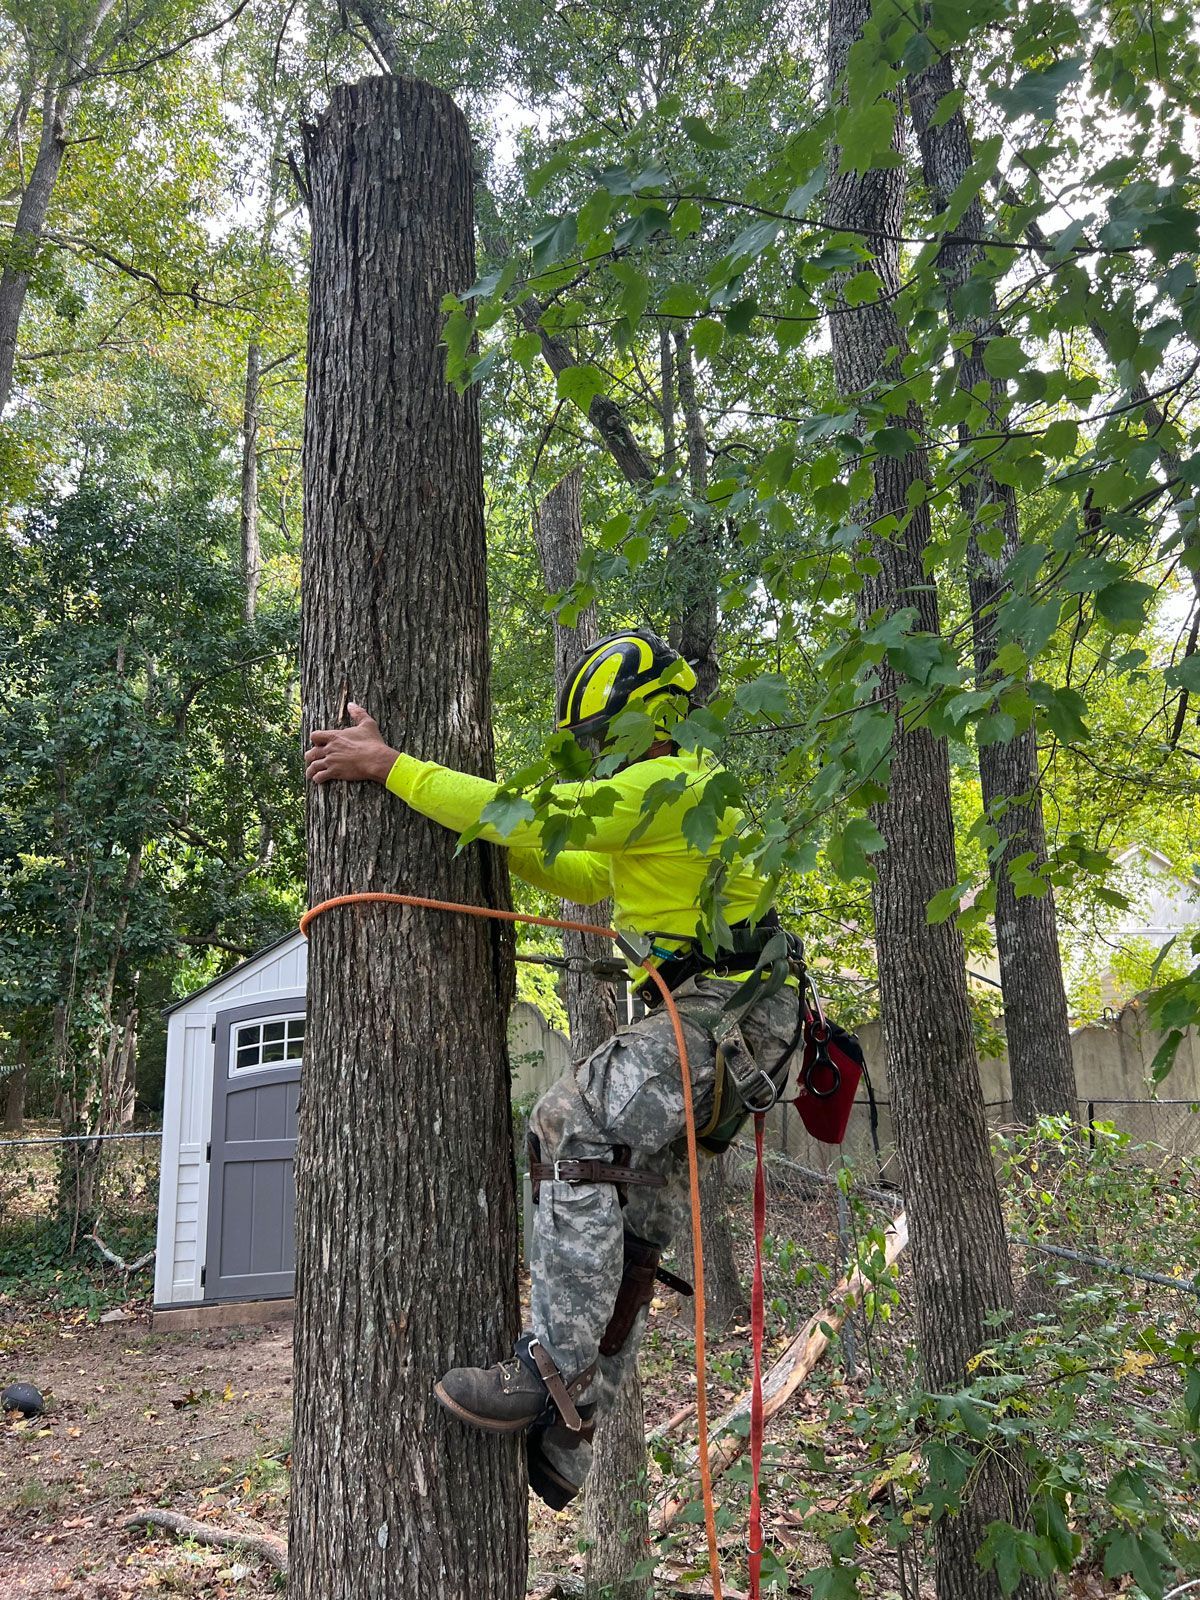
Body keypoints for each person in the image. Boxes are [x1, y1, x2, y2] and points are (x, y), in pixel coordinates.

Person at [305, 628, 803, 1507]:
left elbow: (530, 816)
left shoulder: (670, 781)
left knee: (568, 1122)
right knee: (633, 1206)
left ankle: (550, 1373)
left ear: (650, 719)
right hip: (733, 1024)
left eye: (602, 735)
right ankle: (574, 1434)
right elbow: (572, 869)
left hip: (724, 1018)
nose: (595, 755)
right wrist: (486, 833)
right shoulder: (664, 798)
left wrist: (390, 766)